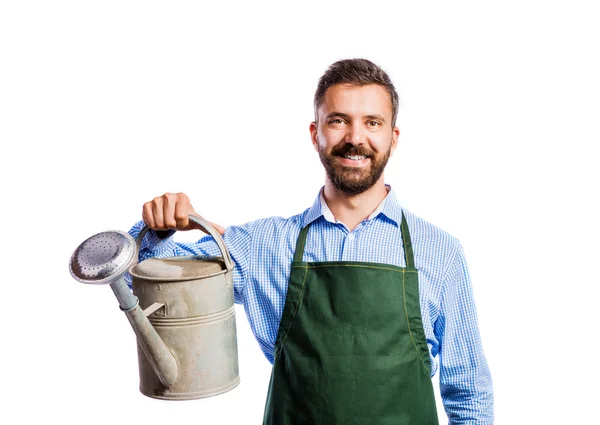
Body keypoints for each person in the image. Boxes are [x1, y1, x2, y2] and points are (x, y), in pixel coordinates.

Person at [127, 58, 494, 424]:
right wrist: (159, 229)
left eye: (372, 122)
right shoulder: (263, 246)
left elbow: (470, 394)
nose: (355, 138)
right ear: (315, 132)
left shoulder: (440, 251)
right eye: (338, 121)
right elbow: (134, 281)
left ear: (392, 138)